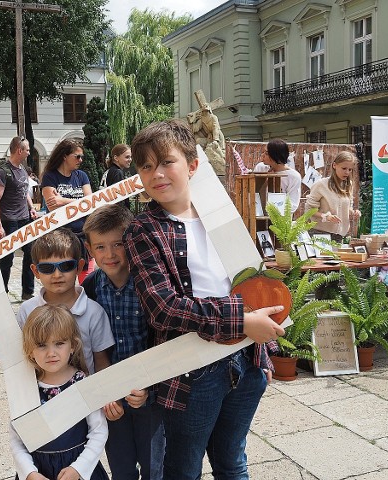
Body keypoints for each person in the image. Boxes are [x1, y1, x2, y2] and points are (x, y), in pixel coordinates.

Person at [123, 119, 285, 479]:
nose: (157, 173)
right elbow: (163, 309)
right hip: (193, 372)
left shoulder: (222, 215)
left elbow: (250, 282)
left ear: (192, 165)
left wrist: (263, 356)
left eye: (166, 162)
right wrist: (243, 320)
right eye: (146, 166)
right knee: (184, 467)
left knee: (232, 461)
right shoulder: (143, 229)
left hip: (246, 361)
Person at [82, 205, 164, 480]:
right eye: (100, 247)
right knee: (121, 468)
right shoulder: (90, 289)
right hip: (112, 400)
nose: (110, 254)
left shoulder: (149, 284)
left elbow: (164, 340)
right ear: (90, 249)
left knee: (155, 468)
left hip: (150, 396)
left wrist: (151, 388)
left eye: (118, 244)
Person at [0, 227, 114, 374]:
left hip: (85, 394)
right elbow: (18, 355)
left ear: (79, 267)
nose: (57, 274)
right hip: (40, 395)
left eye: (66, 266)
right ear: (35, 271)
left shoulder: (94, 312)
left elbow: (101, 361)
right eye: (47, 268)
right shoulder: (27, 310)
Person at [9, 304, 109, 480]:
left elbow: (99, 431)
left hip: (78, 468)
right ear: (30, 350)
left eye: (59, 343)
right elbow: (17, 440)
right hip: (38, 470)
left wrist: (78, 469)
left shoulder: (81, 383)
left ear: (72, 346)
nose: (51, 353)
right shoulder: (25, 387)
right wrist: (29, 473)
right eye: (41, 345)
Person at [0, 136, 38, 300]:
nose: (29, 152)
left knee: (31, 254)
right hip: (9, 221)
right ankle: (1, 293)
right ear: (19, 150)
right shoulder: (2, 172)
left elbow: (24, 193)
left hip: (25, 220)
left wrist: (31, 208)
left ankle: (27, 291)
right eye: (27, 149)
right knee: (6, 259)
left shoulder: (22, 169)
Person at [41, 139, 94, 283]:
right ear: (65, 156)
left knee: (87, 277)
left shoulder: (81, 176)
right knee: (65, 276)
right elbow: (53, 207)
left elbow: (90, 203)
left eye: (82, 157)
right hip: (61, 236)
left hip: (83, 233)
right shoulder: (50, 177)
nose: (81, 160)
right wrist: (80, 203)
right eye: (77, 156)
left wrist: (63, 201)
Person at [305, 151, 361, 243]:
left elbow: (347, 207)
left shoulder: (348, 185)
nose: (347, 172)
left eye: (350, 169)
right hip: (319, 234)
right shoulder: (321, 185)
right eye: (344, 168)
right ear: (334, 165)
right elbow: (308, 210)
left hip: (339, 236)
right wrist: (326, 217)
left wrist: (353, 213)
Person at [258, 139, 302, 210]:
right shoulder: (261, 168)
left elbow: (293, 203)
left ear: (275, 155)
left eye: (266, 153)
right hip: (258, 214)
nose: (262, 156)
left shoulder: (293, 176)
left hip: (281, 217)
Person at [100, 144, 132, 209]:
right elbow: (119, 200)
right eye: (127, 157)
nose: (130, 159)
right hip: (117, 215)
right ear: (116, 158)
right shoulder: (118, 172)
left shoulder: (109, 171)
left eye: (131, 157)